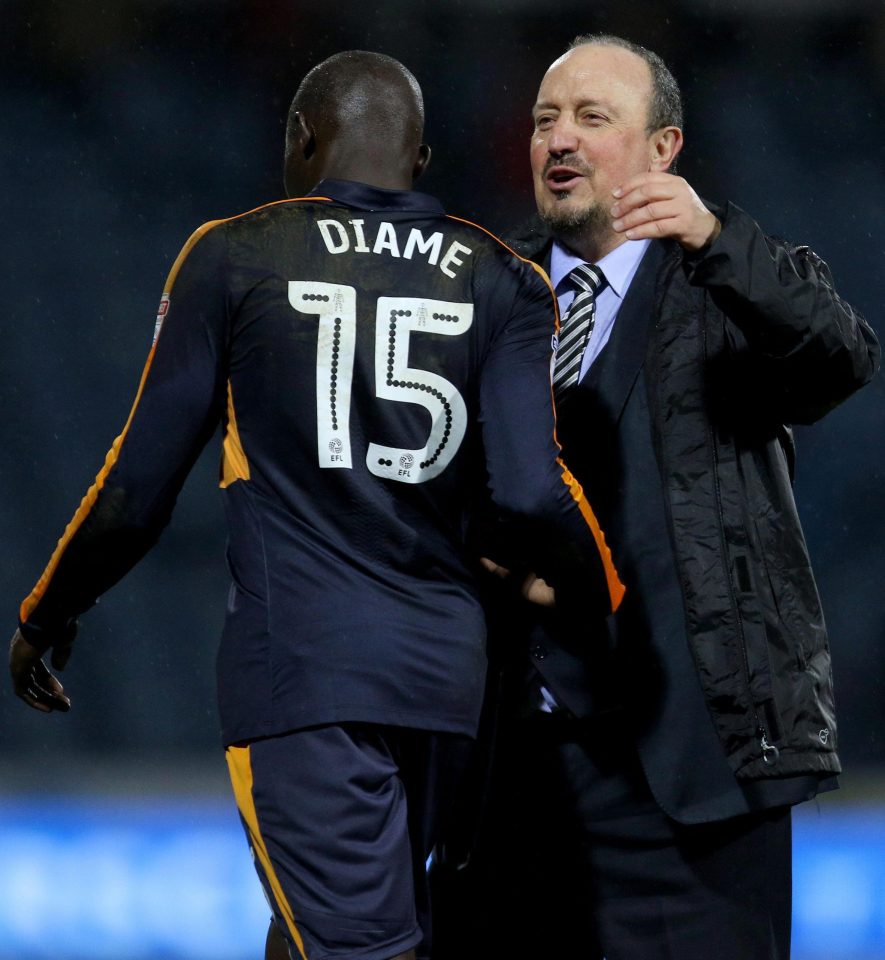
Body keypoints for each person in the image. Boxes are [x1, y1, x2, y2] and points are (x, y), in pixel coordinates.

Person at [9, 50, 624, 960]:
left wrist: (45, 612)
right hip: (449, 687)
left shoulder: (237, 253)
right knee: (319, 934)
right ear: (418, 161)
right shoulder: (502, 279)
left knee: (355, 947)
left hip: (304, 671)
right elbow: (536, 492)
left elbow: (134, 488)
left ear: (301, 141)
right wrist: (599, 602)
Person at [431, 34, 880, 960]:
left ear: (661, 149)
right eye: (544, 120)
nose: (559, 139)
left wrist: (716, 239)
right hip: (514, 771)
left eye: (592, 119)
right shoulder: (481, 293)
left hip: (696, 774)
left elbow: (838, 358)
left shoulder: (724, 281)